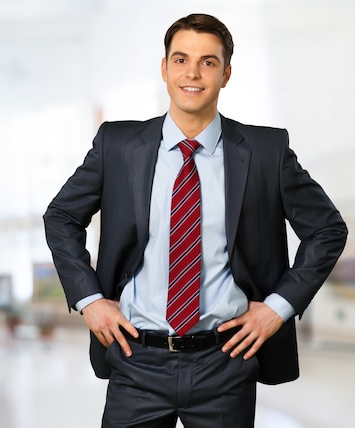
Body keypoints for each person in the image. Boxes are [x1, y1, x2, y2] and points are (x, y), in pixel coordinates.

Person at [43, 13, 348, 428]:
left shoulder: (266, 151)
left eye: (208, 62)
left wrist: (277, 309)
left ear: (226, 74)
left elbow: (327, 229)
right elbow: (61, 216)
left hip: (226, 361)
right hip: (136, 359)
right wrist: (90, 300)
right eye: (181, 59)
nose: (193, 72)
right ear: (164, 68)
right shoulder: (117, 144)